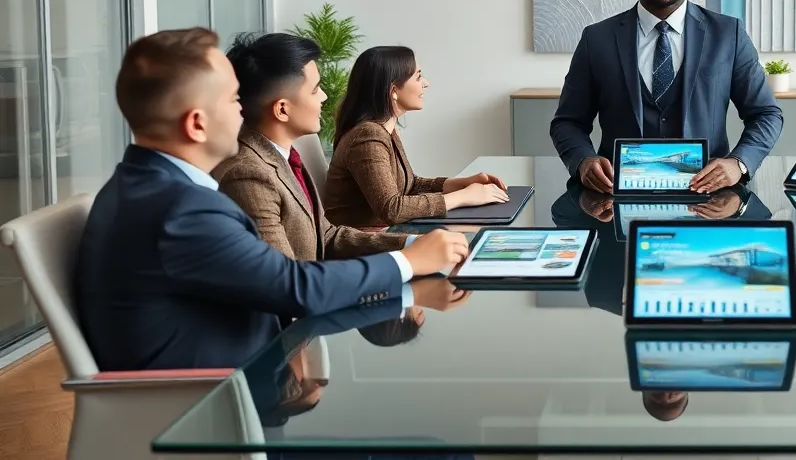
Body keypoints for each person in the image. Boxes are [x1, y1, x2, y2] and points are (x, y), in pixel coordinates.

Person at [75, 28, 470, 371]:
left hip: (251, 363)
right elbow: (293, 288)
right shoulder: (183, 208)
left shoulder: (146, 185)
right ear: (197, 124)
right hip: (224, 393)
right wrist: (408, 261)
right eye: (234, 101)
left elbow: (315, 247)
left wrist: (415, 248)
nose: (244, 110)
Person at [550, 0, 783, 194]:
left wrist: (738, 163)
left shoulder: (728, 34)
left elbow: (766, 114)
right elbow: (567, 122)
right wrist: (583, 161)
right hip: (615, 198)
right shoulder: (597, 39)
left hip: (710, 198)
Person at [215, 33, 410, 260]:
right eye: (316, 89)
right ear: (282, 110)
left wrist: (409, 243)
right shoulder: (248, 175)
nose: (325, 97)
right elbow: (287, 281)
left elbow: (326, 236)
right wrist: (405, 265)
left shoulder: (283, 156)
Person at [323, 46, 508, 228]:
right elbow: (392, 209)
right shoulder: (368, 136)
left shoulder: (385, 128)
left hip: (386, 235)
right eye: (418, 76)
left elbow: (410, 185)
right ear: (393, 90)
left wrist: (461, 184)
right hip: (366, 245)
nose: (426, 83)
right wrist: (464, 197)